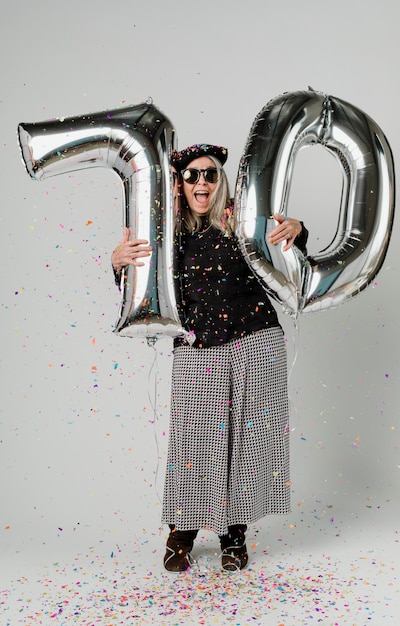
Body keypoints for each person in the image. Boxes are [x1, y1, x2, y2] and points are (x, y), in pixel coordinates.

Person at [111, 144, 308, 572]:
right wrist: (119, 264)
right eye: (193, 176)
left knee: (246, 441)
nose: (202, 183)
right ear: (179, 185)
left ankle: (233, 532)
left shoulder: (241, 220)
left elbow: (288, 247)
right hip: (197, 345)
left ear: (220, 181)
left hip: (254, 339)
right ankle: (182, 529)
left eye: (210, 175)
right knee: (193, 440)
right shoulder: (165, 233)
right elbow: (142, 286)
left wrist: (297, 228)